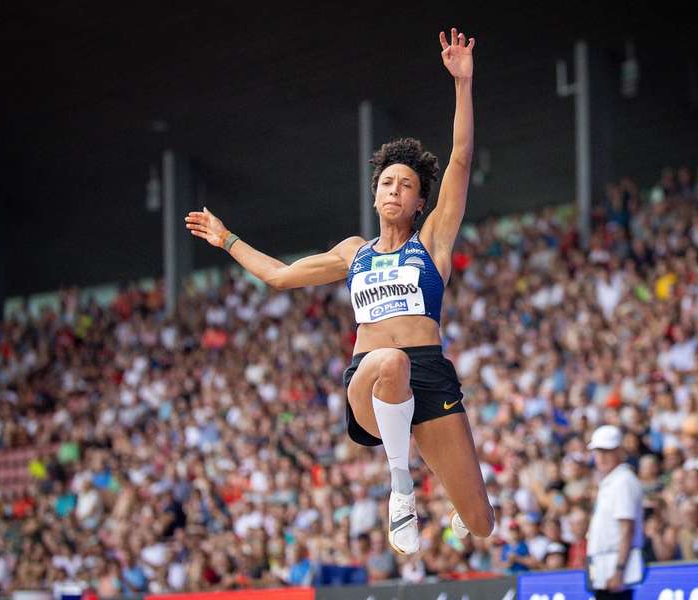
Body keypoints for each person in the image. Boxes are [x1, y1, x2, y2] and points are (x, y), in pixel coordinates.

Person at [185, 27, 493, 555]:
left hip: (431, 371)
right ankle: (401, 488)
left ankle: (451, 502)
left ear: (421, 202)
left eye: (406, 185)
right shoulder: (354, 252)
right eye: (387, 183)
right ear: (375, 194)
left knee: (483, 524)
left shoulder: (434, 242)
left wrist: (463, 84)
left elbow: (460, 161)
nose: (395, 190)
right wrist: (227, 238)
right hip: (371, 378)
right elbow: (280, 276)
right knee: (391, 360)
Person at [586, 425, 644, 599]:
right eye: (598, 452)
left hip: (616, 568)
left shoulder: (623, 481)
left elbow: (627, 528)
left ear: (619, 451)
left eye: (607, 451)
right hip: (604, 567)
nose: (601, 457)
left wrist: (619, 570)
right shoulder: (612, 480)